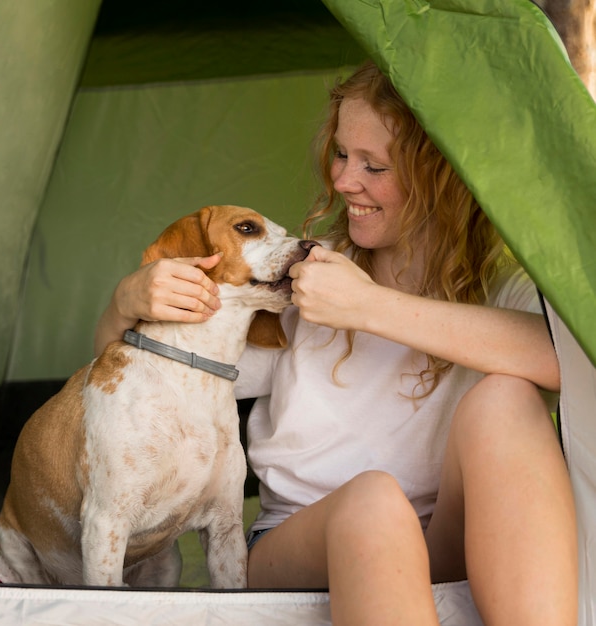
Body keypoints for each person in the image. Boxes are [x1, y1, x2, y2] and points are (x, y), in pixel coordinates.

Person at [94, 61, 578, 625]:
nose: (345, 181)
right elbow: (130, 378)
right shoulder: (303, 276)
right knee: (374, 502)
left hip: (441, 538)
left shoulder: (502, 282)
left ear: (441, 177)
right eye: (342, 155)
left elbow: (565, 359)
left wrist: (370, 307)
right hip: (300, 541)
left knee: (507, 399)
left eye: (374, 165)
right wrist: (122, 304)